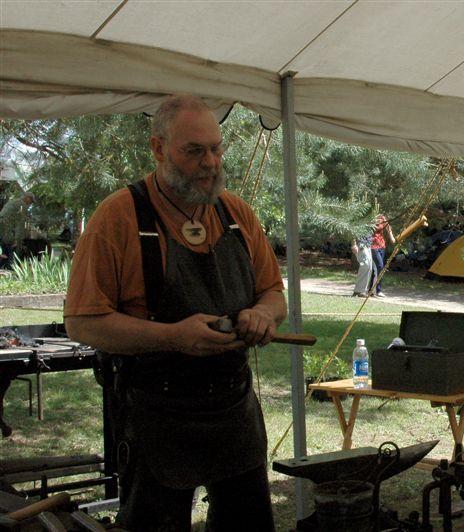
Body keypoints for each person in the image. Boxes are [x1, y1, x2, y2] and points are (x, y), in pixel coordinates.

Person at [64, 94, 286, 531]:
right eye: (194, 151)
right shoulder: (119, 217)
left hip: (233, 409)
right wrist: (172, 336)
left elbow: (273, 293)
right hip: (156, 413)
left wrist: (263, 314)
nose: (211, 163)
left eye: (216, 149)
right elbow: (83, 322)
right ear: (159, 148)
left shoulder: (237, 214)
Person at [0, 190, 34, 260]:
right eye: (31, 201)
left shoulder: (13, 202)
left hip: (2, 231)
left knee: (3, 255)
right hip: (8, 232)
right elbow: (20, 225)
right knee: (14, 256)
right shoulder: (22, 205)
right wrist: (17, 240)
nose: (30, 204)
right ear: (27, 198)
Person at [369, 213, 395, 297]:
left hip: (382, 246)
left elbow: (388, 227)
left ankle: (374, 290)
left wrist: (391, 237)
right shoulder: (370, 219)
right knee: (379, 266)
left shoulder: (382, 218)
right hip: (373, 246)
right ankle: (376, 290)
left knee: (378, 268)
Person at [351, 233, 372, 297]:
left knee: (368, 267)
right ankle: (359, 291)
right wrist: (354, 244)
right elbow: (353, 230)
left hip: (367, 244)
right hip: (360, 244)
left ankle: (360, 290)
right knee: (366, 266)